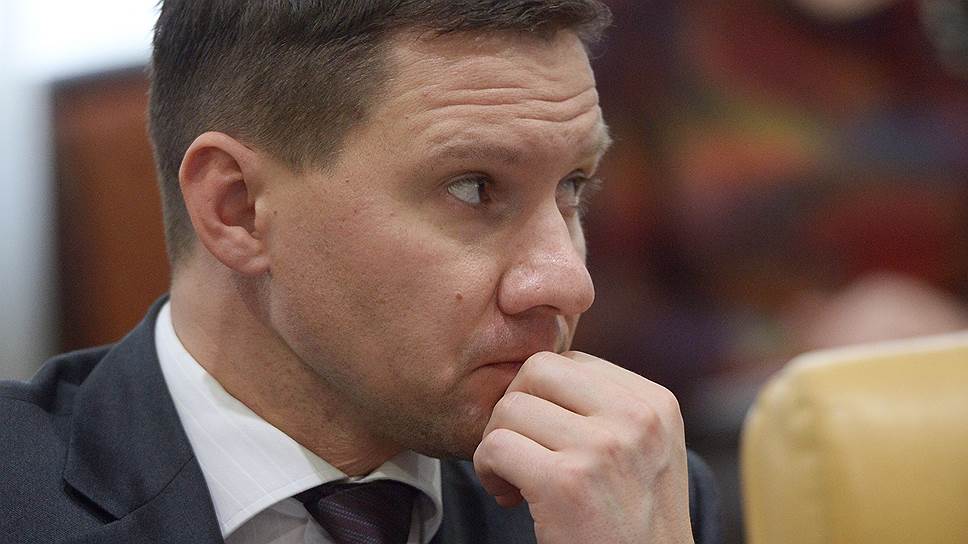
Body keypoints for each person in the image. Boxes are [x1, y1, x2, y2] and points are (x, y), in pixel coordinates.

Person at [0, 2, 720, 543]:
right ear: (237, 208)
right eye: (473, 188)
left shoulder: (629, 498)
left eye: (573, 186)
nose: (567, 283)